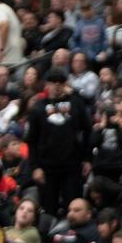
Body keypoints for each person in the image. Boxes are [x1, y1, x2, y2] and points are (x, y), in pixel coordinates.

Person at [26, 68, 92, 216]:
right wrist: (35, 166)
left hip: (72, 165)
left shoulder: (76, 103)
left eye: (60, 82)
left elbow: (88, 130)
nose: (57, 85)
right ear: (46, 84)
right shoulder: (38, 107)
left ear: (65, 84)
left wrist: (87, 158)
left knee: (74, 206)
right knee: (49, 208)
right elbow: (32, 140)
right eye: (53, 82)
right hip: (46, 166)